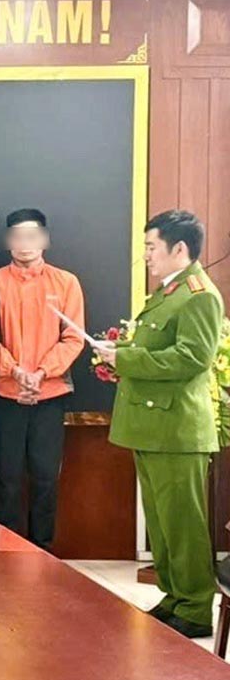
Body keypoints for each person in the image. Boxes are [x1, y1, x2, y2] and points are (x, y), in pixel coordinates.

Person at [100, 210, 223, 638]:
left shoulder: (198, 295)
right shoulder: (170, 292)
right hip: (154, 425)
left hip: (177, 429)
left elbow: (192, 358)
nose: (147, 256)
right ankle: (174, 596)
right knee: (162, 522)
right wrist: (121, 354)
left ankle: (195, 607)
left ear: (179, 248)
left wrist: (128, 359)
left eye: (151, 247)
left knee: (183, 524)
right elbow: (157, 346)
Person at [0, 208, 85, 550]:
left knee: (46, 478)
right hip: (5, 395)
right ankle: (7, 553)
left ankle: (43, 551)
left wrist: (42, 373)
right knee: (6, 478)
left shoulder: (66, 282)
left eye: (32, 235)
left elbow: (73, 338)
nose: (25, 243)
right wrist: (14, 371)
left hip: (50, 395)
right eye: (17, 236)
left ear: (45, 239)